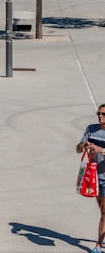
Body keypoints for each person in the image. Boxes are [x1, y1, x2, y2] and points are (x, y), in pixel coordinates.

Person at [76, 103, 105, 253]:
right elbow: (77, 149)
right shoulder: (91, 129)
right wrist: (83, 145)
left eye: (104, 114)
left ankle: (98, 245)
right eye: (99, 114)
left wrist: (101, 149)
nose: (100, 117)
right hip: (94, 177)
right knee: (102, 210)